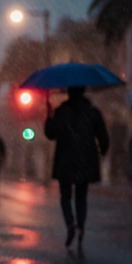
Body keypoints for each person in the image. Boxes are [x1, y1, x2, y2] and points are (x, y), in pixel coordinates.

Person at [45, 87, 109, 251]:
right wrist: (102, 150)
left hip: (65, 158)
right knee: (81, 196)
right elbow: (102, 135)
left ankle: (70, 223)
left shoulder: (61, 112)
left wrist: (49, 116)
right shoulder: (93, 112)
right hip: (85, 158)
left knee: (65, 195)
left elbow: (51, 134)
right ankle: (81, 225)